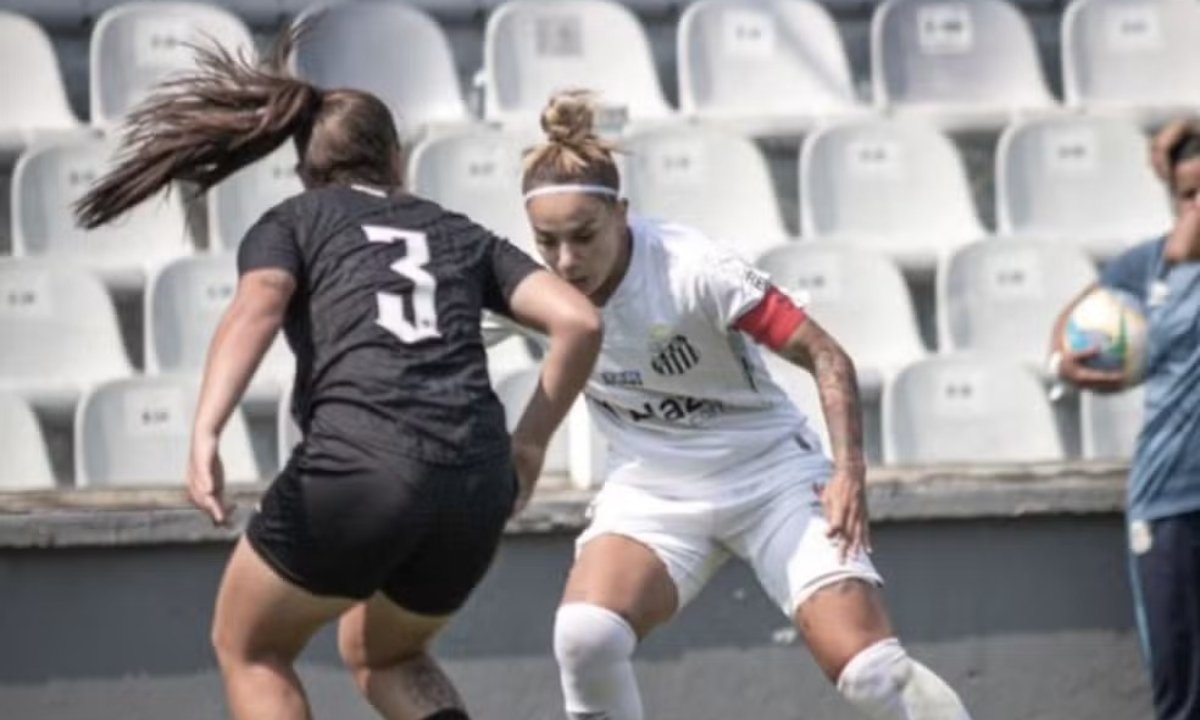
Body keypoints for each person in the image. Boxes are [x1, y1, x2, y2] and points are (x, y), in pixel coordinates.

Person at [74, 32, 602, 720]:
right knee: (387, 654)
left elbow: (256, 306)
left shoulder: (293, 220)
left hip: (360, 467)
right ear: (397, 160)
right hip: (474, 479)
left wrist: (205, 430)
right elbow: (579, 323)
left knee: (250, 646)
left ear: (303, 170)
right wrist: (527, 446)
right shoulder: (457, 230)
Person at [518, 90, 972, 720]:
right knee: (584, 639)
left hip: (771, 477)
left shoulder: (693, 267)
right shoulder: (529, 289)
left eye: (584, 236)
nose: (566, 261)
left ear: (621, 213)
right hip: (655, 490)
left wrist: (849, 471)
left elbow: (827, 356)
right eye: (548, 242)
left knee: (873, 675)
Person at [1049, 123, 1200, 720]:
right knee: (1180, 693)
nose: (1196, 207)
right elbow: (1066, 336)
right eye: (1186, 195)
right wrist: (1067, 363)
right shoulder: (1147, 268)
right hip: (1169, 503)